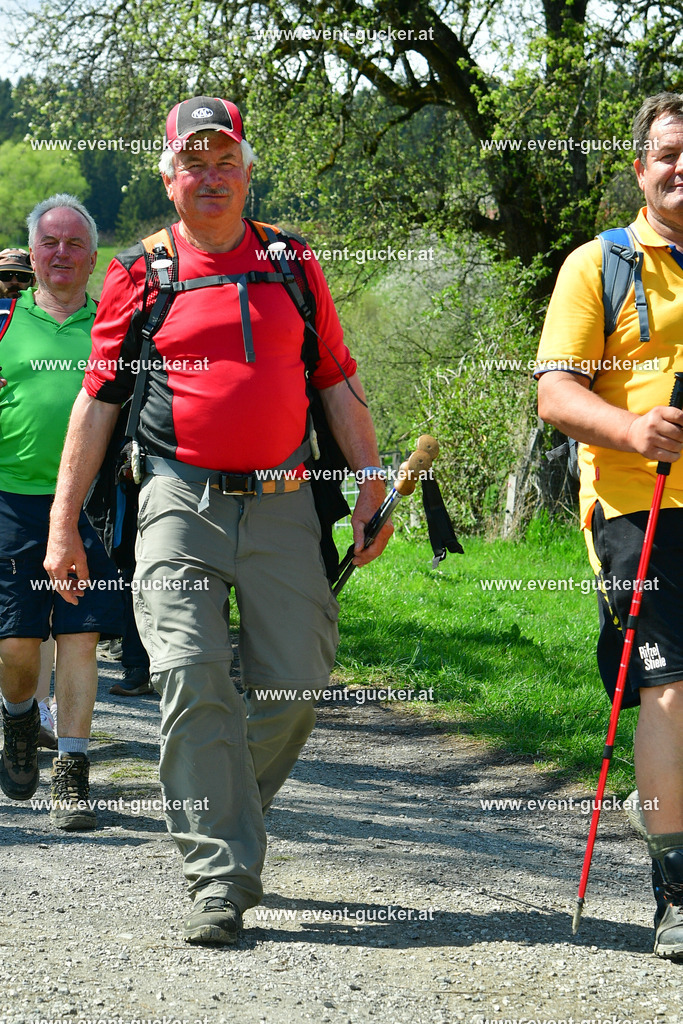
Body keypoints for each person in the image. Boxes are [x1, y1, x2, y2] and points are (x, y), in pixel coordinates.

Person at [45, 96, 392, 943]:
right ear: (169, 177)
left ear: (246, 168)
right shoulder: (140, 272)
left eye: (224, 159)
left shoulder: (292, 263)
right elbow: (97, 404)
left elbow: (337, 383)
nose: (210, 175)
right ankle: (220, 878)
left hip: (283, 503)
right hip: (177, 499)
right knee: (192, 674)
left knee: (297, 684)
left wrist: (371, 488)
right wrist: (62, 529)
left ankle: (221, 801)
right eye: (193, 162)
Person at [536, 92, 683, 960]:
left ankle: (664, 801)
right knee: (671, 688)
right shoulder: (600, 263)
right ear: (640, 168)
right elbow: (554, 391)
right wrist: (631, 429)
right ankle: (676, 880)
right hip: (641, 503)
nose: (682, 167)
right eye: (668, 152)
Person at [0, 194, 123, 830]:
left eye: (75, 243)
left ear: (93, 255)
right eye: (50, 242)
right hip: (11, 498)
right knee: (18, 643)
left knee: (80, 634)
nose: (62, 254)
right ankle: (19, 718)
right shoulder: (1, 320)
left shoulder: (113, 326)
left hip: (90, 501)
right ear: (32, 252)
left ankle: (72, 772)